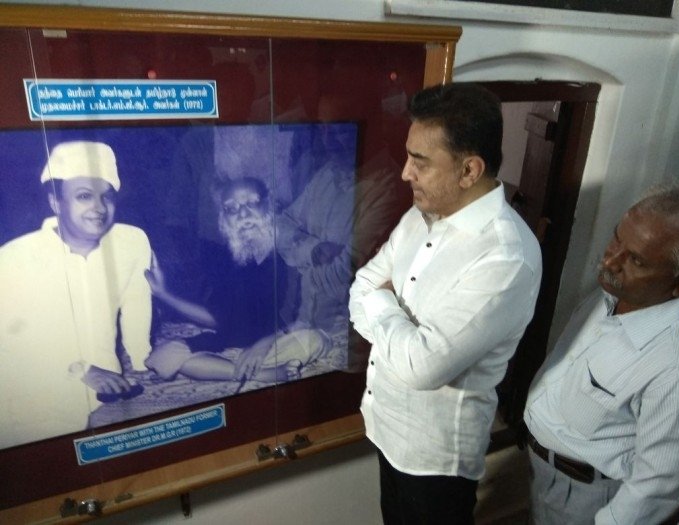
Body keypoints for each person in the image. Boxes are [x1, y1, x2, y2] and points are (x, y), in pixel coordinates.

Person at [348, 82, 543, 524]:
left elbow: (423, 368)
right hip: (387, 426)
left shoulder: (505, 257)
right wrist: (389, 311)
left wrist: (382, 304)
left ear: (469, 170)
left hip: (435, 458)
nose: (405, 173)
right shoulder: (419, 216)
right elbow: (362, 286)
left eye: (420, 162)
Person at [524, 182, 679, 524]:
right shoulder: (612, 294)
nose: (609, 260)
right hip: (539, 471)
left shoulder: (677, 365)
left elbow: (661, 483)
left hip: (586, 500)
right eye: (617, 239)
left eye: (636, 260)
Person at [0, 141, 153, 448]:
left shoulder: (132, 242)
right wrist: (78, 370)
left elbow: (137, 303)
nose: (99, 208)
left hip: (109, 388)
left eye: (106, 196)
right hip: (37, 387)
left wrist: (142, 360)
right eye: (84, 196)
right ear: (55, 202)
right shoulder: (15, 258)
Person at [145, 176, 329, 387]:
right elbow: (218, 318)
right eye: (232, 209)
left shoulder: (288, 254)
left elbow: (305, 317)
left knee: (315, 339)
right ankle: (265, 374)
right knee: (165, 355)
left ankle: (236, 369)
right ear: (224, 219)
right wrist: (163, 295)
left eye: (252, 203)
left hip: (278, 341)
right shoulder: (225, 260)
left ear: (268, 206)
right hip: (230, 345)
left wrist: (262, 345)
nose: (243, 214)